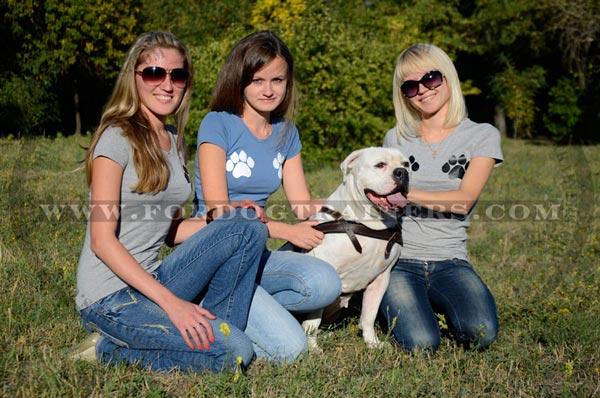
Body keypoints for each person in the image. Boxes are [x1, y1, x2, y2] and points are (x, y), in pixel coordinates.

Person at [70, 31, 270, 372]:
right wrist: (174, 304)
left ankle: (214, 331)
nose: (167, 84)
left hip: (153, 278)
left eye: (177, 75)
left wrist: (220, 221)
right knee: (234, 351)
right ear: (134, 78)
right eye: (153, 73)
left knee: (248, 226)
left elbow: (169, 231)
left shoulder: (173, 139)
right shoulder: (115, 137)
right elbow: (102, 243)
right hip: (110, 298)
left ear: (186, 83)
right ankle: (106, 349)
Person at [193, 31, 341, 361]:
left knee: (326, 284)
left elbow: (302, 204)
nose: (269, 90)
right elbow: (219, 210)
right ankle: (209, 301)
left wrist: (354, 200)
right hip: (214, 252)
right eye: (258, 80)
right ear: (240, 79)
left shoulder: (287, 132)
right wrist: (288, 232)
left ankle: (245, 304)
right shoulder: (218, 124)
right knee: (290, 350)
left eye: (278, 79)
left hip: (255, 255)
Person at [380, 43, 502, 353]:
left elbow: (463, 200)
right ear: (403, 94)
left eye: (431, 78)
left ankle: (431, 303)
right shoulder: (395, 138)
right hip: (400, 260)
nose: (422, 90)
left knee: (481, 333)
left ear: (447, 77)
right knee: (421, 344)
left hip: (451, 260)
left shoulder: (482, 135)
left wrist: (405, 192)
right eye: (410, 86)